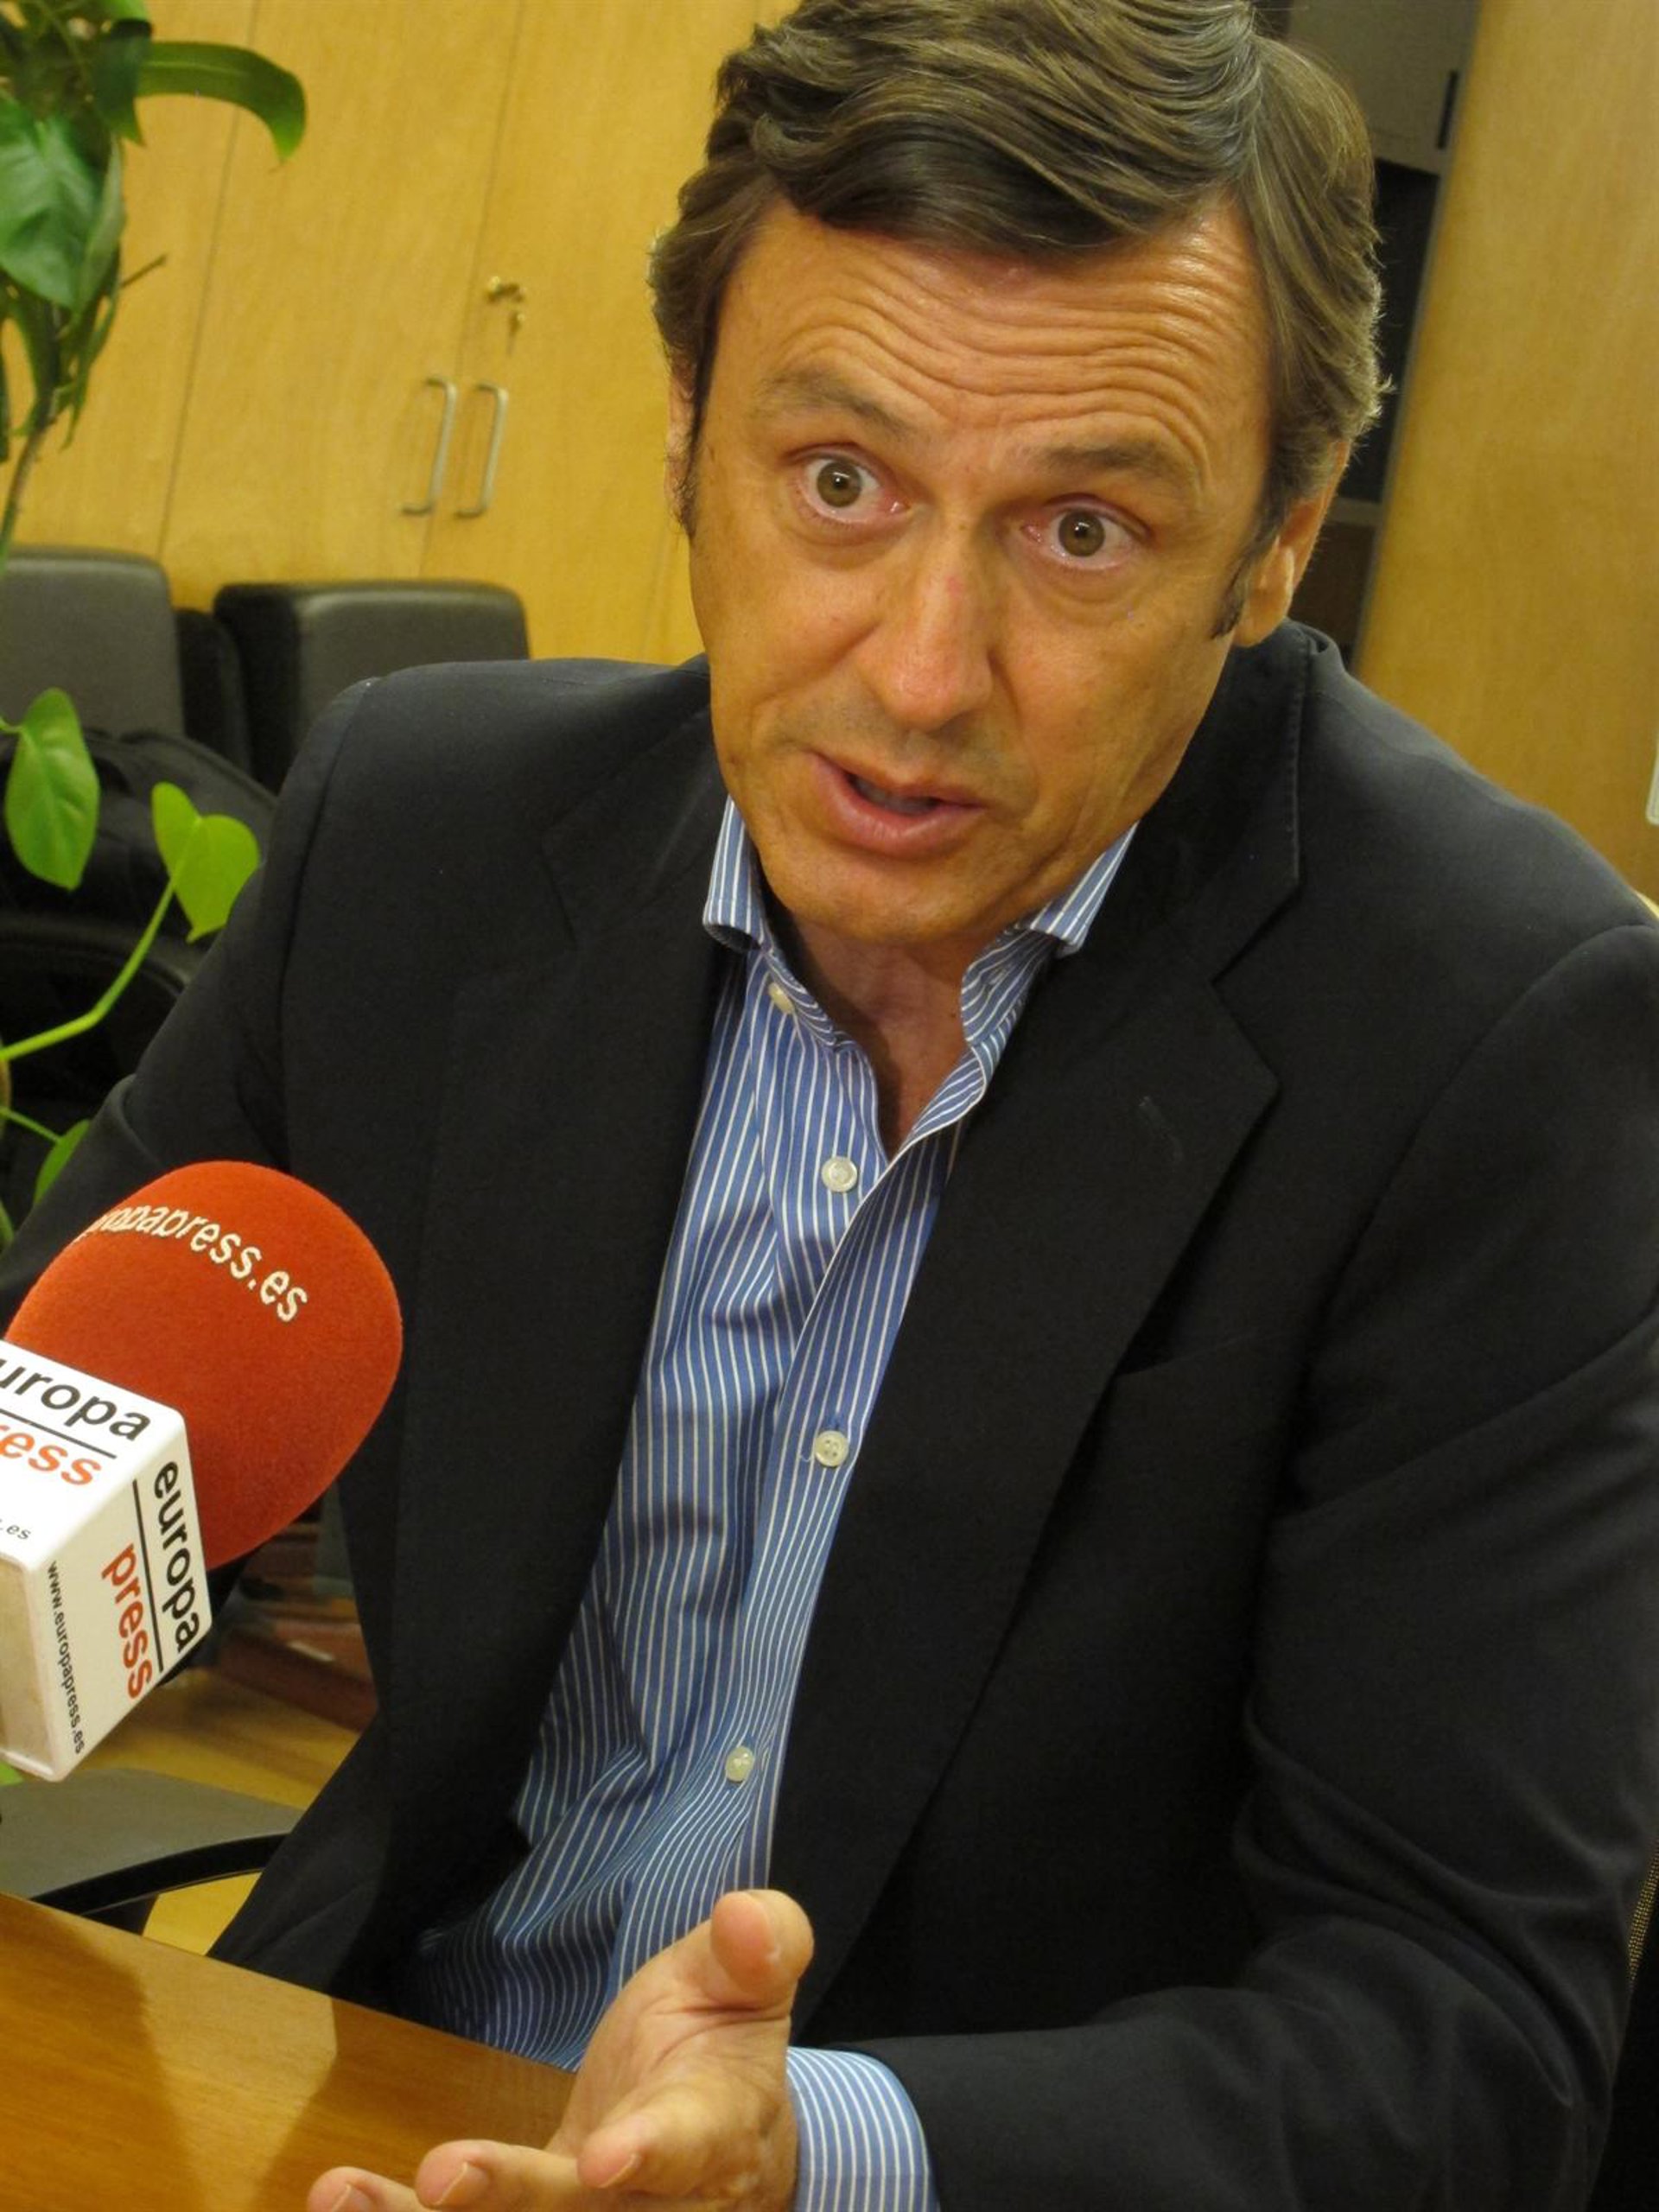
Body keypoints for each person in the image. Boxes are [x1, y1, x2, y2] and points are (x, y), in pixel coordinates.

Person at [3, 2, 1656, 2206]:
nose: (919, 669)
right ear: (688, 431)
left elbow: (1468, 2028)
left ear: (1273, 549)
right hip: (379, 2102)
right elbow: (47, 1468)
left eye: (1085, 530)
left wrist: (818, 2149)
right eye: (842, 484)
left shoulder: (1490, 1038)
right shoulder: (424, 841)